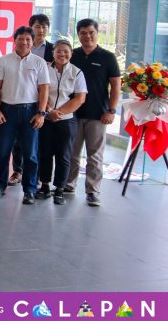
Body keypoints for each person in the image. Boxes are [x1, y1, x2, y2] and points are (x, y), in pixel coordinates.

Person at [0, 26, 50, 204]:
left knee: (30, 154)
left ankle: (29, 190)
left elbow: (44, 88)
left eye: (28, 39)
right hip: (7, 111)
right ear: (14, 40)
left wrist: (41, 113)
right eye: (20, 39)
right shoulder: (3, 61)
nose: (24, 42)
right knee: (3, 152)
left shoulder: (39, 62)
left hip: (30, 112)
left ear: (32, 42)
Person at [66, 19, 121, 207]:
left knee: (95, 155)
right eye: (83, 33)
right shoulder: (72, 55)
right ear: (78, 35)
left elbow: (115, 87)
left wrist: (112, 110)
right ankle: (68, 184)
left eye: (91, 32)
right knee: (71, 152)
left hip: (98, 114)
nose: (87, 36)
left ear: (97, 33)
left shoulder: (107, 57)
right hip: (72, 113)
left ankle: (92, 191)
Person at [37, 39, 87, 205]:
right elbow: (39, 91)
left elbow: (80, 98)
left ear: (71, 53)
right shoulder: (45, 68)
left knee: (64, 156)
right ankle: (44, 186)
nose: (62, 54)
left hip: (66, 120)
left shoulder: (77, 72)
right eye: (58, 51)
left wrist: (59, 113)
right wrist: (49, 111)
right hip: (46, 117)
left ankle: (59, 189)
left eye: (66, 51)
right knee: (45, 153)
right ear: (53, 53)